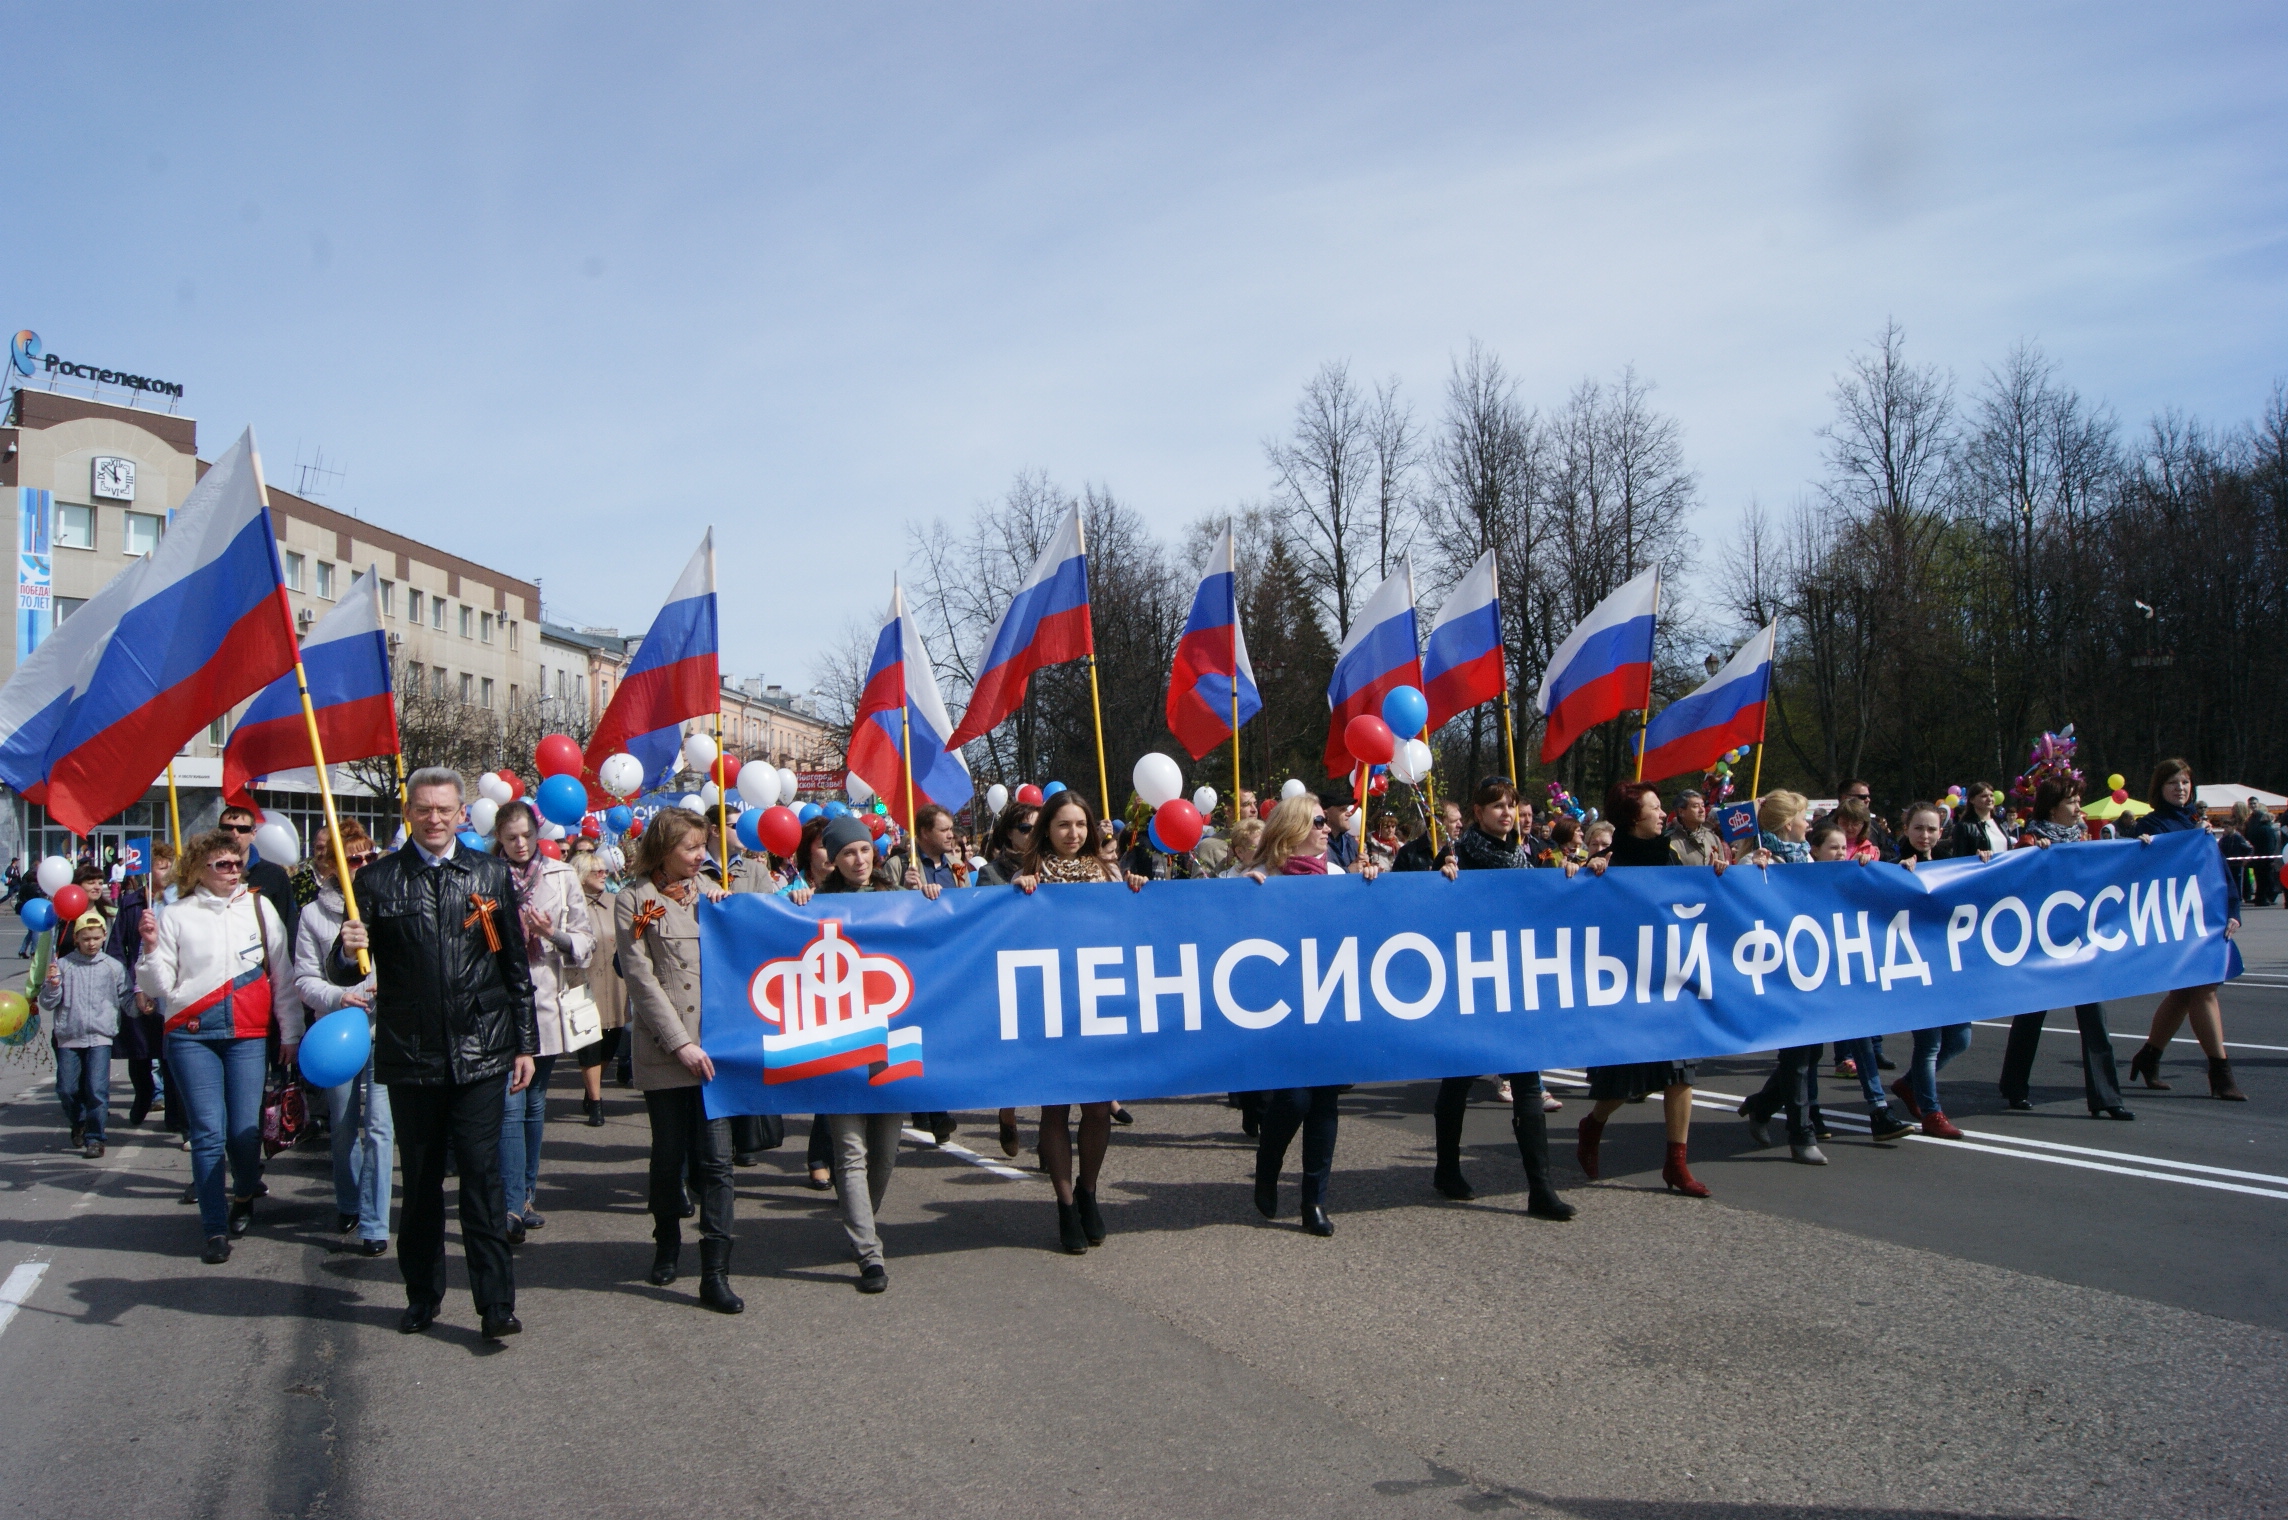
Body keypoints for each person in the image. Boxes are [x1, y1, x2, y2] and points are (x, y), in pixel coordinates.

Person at [333, 767, 537, 1341]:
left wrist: (525, 1043)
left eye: (445, 809)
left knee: (481, 1176)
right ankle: (422, 1295)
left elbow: (512, 964)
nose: (434, 819)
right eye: (423, 809)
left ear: (460, 813)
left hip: (482, 1048)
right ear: (409, 813)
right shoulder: (377, 881)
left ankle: (495, 1304)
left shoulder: (488, 874)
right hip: (412, 1052)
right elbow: (344, 970)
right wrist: (347, 952)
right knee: (421, 1182)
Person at [138, 828, 303, 1265]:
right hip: (190, 1034)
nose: (234, 871)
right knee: (208, 1134)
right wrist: (150, 949)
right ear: (199, 869)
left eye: (237, 863)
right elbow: (156, 986)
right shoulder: (176, 914)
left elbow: (282, 975)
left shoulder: (259, 907)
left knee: (244, 1133)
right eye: (223, 864)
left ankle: (245, 1192)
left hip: (247, 1035)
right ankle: (213, 1228)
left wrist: (291, 1032)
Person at [1423, 778, 1576, 1219]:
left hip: (1515, 978)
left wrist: (1572, 875)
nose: (1506, 814)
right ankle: (1447, 1169)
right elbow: (1429, 912)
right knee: (1458, 1078)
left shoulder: (1525, 855)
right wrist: (1441, 881)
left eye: (1511, 805)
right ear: (1478, 812)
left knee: (1527, 1079)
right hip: (1471, 981)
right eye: (1496, 807)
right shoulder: (1457, 856)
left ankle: (1540, 1188)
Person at [616, 805, 743, 1313]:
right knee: (669, 1157)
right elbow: (640, 978)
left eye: (701, 846)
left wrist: (729, 910)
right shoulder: (634, 900)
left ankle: (715, 1271)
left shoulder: (711, 893)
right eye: (690, 848)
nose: (699, 856)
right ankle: (666, 1238)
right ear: (664, 849)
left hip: (714, 1051)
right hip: (667, 1051)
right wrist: (679, 1043)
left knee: (717, 1163)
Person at [810, 814, 944, 1292]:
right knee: (850, 1152)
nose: (859, 859)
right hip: (839, 1043)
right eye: (848, 852)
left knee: (885, 1155)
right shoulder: (816, 905)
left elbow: (936, 938)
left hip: (892, 1042)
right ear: (833, 860)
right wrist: (797, 903)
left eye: (864, 850)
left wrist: (929, 898)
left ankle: (862, 1221)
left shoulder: (897, 898)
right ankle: (869, 1252)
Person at [1241, 794, 1380, 1235]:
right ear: (1294, 829)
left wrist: (1370, 885)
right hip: (1281, 1007)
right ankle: (1268, 1166)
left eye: (1325, 821)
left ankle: (1313, 1200)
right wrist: (1245, 899)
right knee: (1295, 1099)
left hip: (1328, 1002)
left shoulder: (1338, 875)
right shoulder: (1262, 877)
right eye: (1318, 821)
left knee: (1325, 1101)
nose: (1327, 828)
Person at [1013, 789, 1143, 1253]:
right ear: (1047, 829)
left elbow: (1128, 928)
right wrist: (1018, 897)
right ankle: (1065, 1205)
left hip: (1096, 1003)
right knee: (1055, 1108)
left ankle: (1089, 1192)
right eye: (1063, 825)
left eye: (1081, 824)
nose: (1073, 833)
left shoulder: (1108, 873)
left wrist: (1135, 889)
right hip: (1049, 1005)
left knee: (1096, 1107)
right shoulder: (1027, 876)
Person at [1577, 782, 1721, 1198]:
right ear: (1632, 817)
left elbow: (1694, 900)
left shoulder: (1670, 854)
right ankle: (1594, 1124)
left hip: (1670, 976)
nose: (1663, 814)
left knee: (1680, 1070)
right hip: (1627, 983)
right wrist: (1586, 874)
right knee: (1629, 1079)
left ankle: (1676, 1163)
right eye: (1654, 808)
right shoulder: (1609, 861)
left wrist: (1716, 877)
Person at [1993, 782, 2132, 1120]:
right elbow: (2012, 882)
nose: (2078, 807)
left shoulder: (2083, 840)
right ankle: (2014, 1086)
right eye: (2071, 801)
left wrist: (2139, 847)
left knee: (2095, 1020)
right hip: (2042, 945)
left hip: (2080, 943)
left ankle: (2106, 1097)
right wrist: (2032, 857)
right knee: (2030, 1017)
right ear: (2052, 807)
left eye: (2078, 800)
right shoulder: (2030, 841)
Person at [494, 800, 596, 1243]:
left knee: (534, 1102)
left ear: (538, 836)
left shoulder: (561, 874)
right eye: (510, 838)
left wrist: (550, 933)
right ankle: (511, 1202)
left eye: (527, 836)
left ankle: (527, 1192)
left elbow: (586, 940)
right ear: (499, 839)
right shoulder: (486, 875)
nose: (520, 845)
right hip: (500, 1001)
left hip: (546, 999)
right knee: (510, 1102)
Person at [293, 823, 392, 1256]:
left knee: (381, 1127)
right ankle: (349, 1201)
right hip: (337, 1033)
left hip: (384, 1029)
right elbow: (304, 978)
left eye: (370, 856)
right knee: (344, 1125)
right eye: (354, 859)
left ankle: (375, 1222)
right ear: (332, 865)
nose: (365, 864)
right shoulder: (314, 914)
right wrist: (339, 995)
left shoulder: (388, 902)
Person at [2124, 759, 2244, 1100]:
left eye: (2185, 782)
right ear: (2159, 788)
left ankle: (2149, 1057)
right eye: (2173, 783)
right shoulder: (2151, 824)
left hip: (2205, 917)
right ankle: (2220, 1072)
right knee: (2203, 989)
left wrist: (2233, 910)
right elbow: (2134, 869)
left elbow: (2218, 871)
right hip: (2174, 922)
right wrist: (2139, 846)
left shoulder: (2197, 823)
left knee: (2183, 994)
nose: (2180, 788)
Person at [44, 910, 133, 1158]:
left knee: (97, 1089)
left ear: (104, 936)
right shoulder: (63, 966)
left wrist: (141, 1006)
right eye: (85, 938)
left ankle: (95, 1137)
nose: (91, 943)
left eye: (96, 938)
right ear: (76, 939)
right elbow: (48, 1002)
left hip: (100, 1037)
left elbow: (126, 997)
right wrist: (53, 986)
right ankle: (79, 1121)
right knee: (66, 1089)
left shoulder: (112, 967)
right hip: (69, 1036)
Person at [106, 844, 170, 1128]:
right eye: (161, 867)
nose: (167, 872)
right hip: (138, 983)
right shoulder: (132, 903)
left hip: (170, 984)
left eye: (170, 866)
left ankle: (175, 1112)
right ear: (148, 871)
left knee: (170, 1052)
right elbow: (117, 947)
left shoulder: (180, 902)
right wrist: (130, 985)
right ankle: (144, 1093)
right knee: (140, 1050)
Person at [574, 853, 627, 1126]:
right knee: (590, 1044)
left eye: (605, 870)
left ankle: (590, 1086)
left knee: (611, 1042)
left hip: (616, 984)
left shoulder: (616, 903)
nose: (603, 874)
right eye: (597, 871)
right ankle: (596, 1101)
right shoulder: (572, 905)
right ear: (582, 874)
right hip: (584, 983)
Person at [216, 803, 300, 950]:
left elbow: (288, 926)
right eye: (227, 828)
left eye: (242, 829)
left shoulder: (274, 875)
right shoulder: (205, 873)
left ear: (253, 834)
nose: (235, 833)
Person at [1945, 781, 2011, 859]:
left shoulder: (1999, 824)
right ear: (1972, 800)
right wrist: (1975, 858)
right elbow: (1959, 858)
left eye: (1991, 795)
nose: (1989, 799)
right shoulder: (1964, 827)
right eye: (1984, 796)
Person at [1393, 801, 1460, 873]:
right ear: (1437, 823)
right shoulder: (1408, 854)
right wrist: (1437, 876)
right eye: (1454, 821)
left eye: (1459, 820)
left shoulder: (1461, 850)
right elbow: (1399, 880)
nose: (1460, 825)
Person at [1667, 789, 1726, 867]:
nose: (1702, 810)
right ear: (1681, 812)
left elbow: (1723, 866)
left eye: (1703, 805)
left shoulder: (1713, 838)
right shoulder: (1669, 841)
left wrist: (1721, 866)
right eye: (1695, 806)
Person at [2247, 798, 2282, 907]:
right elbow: (2270, 845)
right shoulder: (2268, 830)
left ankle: (2260, 898)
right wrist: (2271, 858)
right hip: (2266, 858)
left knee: (2259, 879)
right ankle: (2264, 898)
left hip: (2257, 857)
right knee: (2265, 879)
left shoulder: (2256, 828)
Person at [1318, 785, 1360, 870]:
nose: (1349, 813)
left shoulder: (1351, 842)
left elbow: (1358, 868)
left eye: (1347, 808)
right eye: (1342, 809)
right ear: (1325, 814)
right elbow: (1319, 873)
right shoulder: (1317, 843)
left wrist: (1368, 867)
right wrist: (1348, 871)